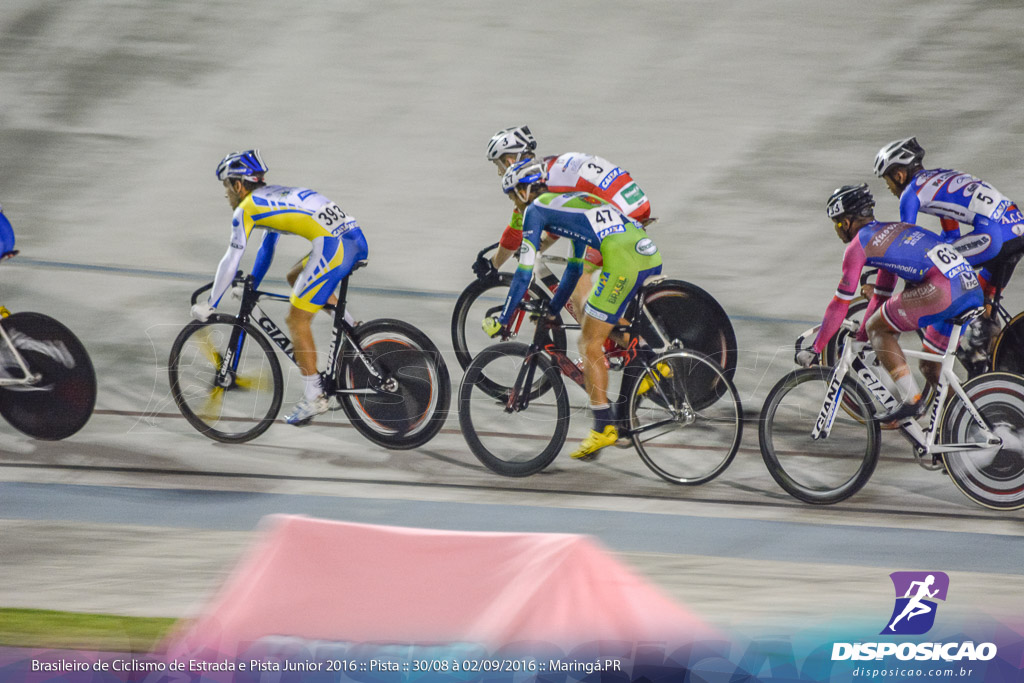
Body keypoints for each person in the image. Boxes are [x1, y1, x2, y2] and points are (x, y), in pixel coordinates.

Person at [483, 159, 663, 460]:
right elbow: (573, 269)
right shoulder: (569, 202)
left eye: (512, 197)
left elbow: (524, 272)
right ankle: (653, 361)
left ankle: (603, 427)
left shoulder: (536, 211)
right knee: (602, 321)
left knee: (588, 342)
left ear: (525, 191)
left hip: (624, 259)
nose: (513, 204)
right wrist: (553, 309)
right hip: (643, 251)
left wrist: (504, 319)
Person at [191, 150, 368, 425]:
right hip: (351, 238)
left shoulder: (246, 209)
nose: (226, 194)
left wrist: (211, 303)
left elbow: (231, 258)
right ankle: (355, 331)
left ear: (238, 185)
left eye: (226, 186)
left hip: (335, 247)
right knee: (294, 278)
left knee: (296, 319)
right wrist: (253, 283)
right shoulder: (271, 196)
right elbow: (266, 248)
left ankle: (313, 398)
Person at [797, 184, 983, 421]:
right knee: (931, 367)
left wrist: (816, 348)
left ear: (846, 222)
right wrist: (863, 338)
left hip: (945, 290)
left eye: (836, 223)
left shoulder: (858, 246)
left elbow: (840, 303)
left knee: (878, 328)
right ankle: (959, 427)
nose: (837, 230)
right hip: (970, 288)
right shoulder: (894, 230)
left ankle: (911, 399)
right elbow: (882, 296)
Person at [476, 125, 653, 321]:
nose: (500, 174)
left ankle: (616, 344)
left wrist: (493, 264)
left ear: (509, 161)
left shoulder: (535, 185)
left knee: (581, 290)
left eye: (499, 166)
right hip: (634, 201)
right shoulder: (548, 167)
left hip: (622, 211)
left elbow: (517, 231)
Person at [874, 137, 1024, 353]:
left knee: (942, 275)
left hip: (993, 236)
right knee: (982, 293)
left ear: (899, 175)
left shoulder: (910, 193)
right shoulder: (939, 176)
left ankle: (973, 334)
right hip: (1015, 227)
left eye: (886, 180)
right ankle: (990, 350)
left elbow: (904, 241)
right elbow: (951, 232)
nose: (888, 187)